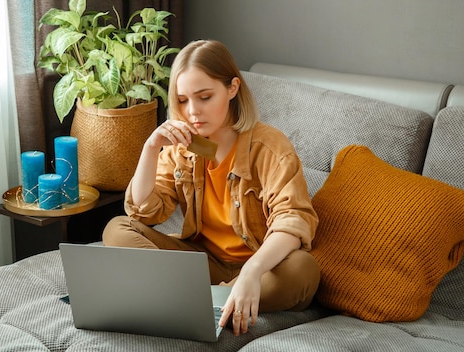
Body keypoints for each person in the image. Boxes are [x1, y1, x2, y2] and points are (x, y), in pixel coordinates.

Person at [102, 39, 320, 336]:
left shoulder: (268, 147)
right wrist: (150, 148)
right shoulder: (185, 148)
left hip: (264, 268)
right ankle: (207, 300)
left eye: (204, 97)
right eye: (182, 100)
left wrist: (251, 273)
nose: (192, 111)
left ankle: (195, 300)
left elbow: (293, 222)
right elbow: (144, 212)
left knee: (303, 269)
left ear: (232, 88)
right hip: (203, 264)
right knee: (117, 229)